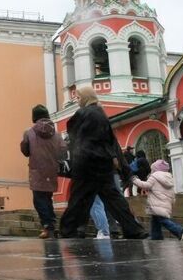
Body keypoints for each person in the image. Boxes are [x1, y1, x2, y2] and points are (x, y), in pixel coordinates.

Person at [59, 87, 147, 239]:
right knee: (114, 199)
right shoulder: (102, 115)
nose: (77, 101)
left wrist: (74, 160)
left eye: (79, 98)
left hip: (86, 164)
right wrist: (121, 166)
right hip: (104, 164)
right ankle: (134, 229)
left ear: (86, 98)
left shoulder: (82, 114)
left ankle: (68, 230)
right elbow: (112, 142)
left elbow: (73, 135)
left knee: (78, 198)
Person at [20, 104, 67, 239]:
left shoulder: (29, 132)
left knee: (39, 200)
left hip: (37, 170)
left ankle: (48, 226)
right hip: (52, 170)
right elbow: (63, 152)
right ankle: (51, 226)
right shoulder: (57, 134)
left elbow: (25, 151)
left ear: (34, 117)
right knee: (47, 198)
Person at [132, 159, 183, 240]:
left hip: (156, 204)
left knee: (163, 220)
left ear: (155, 169)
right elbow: (172, 194)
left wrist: (135, 180)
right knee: (155, 220)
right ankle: (156, 237)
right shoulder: (169, 178)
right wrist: (172, 202)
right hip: (165, 204)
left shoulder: (154, 177)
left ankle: (180, 231)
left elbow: (145, 185)